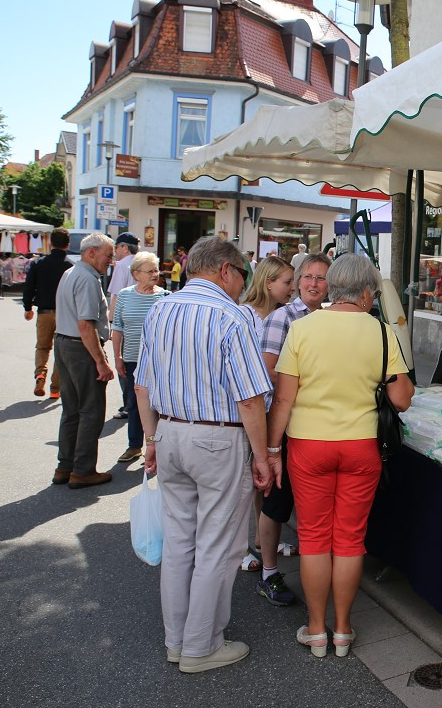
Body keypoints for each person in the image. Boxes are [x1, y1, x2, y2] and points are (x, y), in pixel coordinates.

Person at [134, 237, 273, 674]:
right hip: (217, 439)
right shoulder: (231, 316)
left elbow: (143, 383)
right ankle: (200, 646)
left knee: (179, 543)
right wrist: (262, 455)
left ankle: (177, 641)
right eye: (242, 274)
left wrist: (151, 439)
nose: (242, 284)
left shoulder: (161, 308)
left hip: (171, 430)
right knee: (216, 545)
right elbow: (250, 398)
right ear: (227, 270)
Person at [266, 253, 413, 658]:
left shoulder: (303, 328)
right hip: (362, 447)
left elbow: (283, 398)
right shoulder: (383, 333)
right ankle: (344, 631)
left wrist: (273, 449)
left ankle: (316, 631)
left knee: (314, 539)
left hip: (309, 446)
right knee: (350, 540)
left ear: (332, 286)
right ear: (367, 292)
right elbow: (401, 400)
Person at [254, 253, 331, 606]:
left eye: (322, 278)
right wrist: (310, 383)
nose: (314, 284)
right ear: (299, 281)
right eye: (309, 277)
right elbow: (267, 370)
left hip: (317, 425)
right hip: (284, 425)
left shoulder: (331, 319)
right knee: (275, 502)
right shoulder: (282, 317)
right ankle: (269, 573)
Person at [238, 254, 294, 574]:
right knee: (247, 480)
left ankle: (262, 540)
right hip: (252, 409)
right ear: (268, 282)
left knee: (264, 481)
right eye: (287, 282)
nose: (292, 288)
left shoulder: (283, 314)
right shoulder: (246, 315)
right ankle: (241, 547)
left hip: (272, 409)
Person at [52, 232, 116, 489]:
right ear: (91, 253)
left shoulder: (71, 273)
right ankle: (83, 470)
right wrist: (101, 362)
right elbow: (86, 326)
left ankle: (65, 466)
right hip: (81, 348)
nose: (110, 261)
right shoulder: (88, 279)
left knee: (72, 410)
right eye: (108, 255)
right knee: (90, 411)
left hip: (64, 344)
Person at [110, 252, 169, 463]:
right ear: (136, 274)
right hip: (132, 358)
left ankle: (156, 447)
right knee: (134, 404)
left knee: (158, 404)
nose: (156, 274)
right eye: (150, 270)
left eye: (156, 269)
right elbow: (117, 327)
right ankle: (134, 446)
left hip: (158, 361)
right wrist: (117, 356)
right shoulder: (124, 295)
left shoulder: (165, 296)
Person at [22, 228, 71, 399]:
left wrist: (27, 308)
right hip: (64, 315)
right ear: (68, 244)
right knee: (60, 351)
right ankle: (55, 389)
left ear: (50, 243)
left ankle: (40, 375)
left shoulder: (38, 263)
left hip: (43, 312)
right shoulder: (70, 265)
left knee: (42, 347)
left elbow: (29, 287)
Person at [108, 232, 140, 420]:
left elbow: (116, 295)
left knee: (124, 365)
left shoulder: (123, 265)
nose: (115, 251)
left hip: (125, 320)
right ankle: (136, 403)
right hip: (140, 319)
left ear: (125, 248)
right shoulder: (143, 262)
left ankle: (129, 405)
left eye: (117, 247)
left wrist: (112, 322)